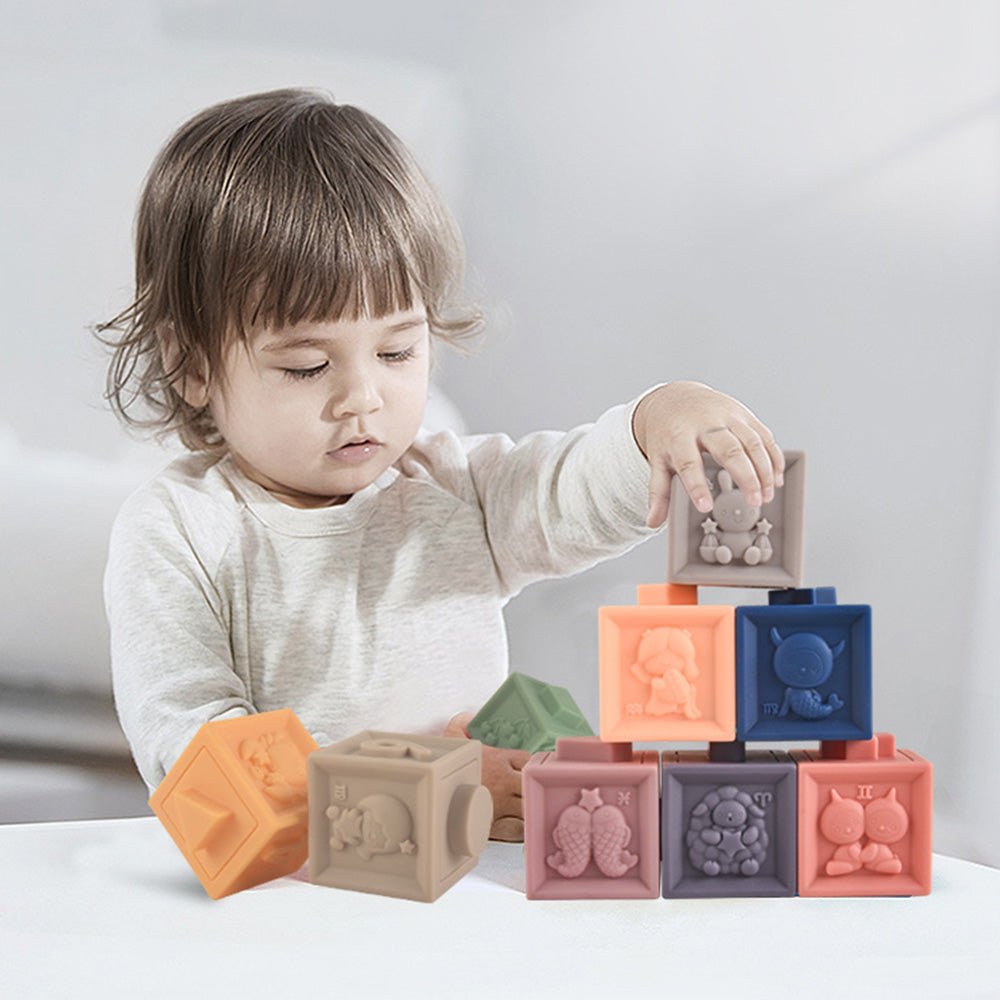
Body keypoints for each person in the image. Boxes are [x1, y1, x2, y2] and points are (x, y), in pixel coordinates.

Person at [98, 88, 783, 842]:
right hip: (296, 897)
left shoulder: (450, 486)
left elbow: (564, 492)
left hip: (470, 892)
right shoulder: (179, 532)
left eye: (397, 351)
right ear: (190, 364)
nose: (362, 398)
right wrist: (431, 790)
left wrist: (657, 422)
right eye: (305, 366)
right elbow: (192, 747)